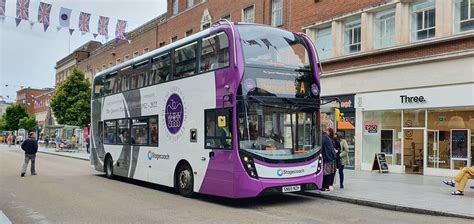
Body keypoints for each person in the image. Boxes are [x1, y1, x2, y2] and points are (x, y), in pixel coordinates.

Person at [321, 127, 337, 191]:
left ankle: (325, 187)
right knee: (329, 172)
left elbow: (322, 148)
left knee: (326, 172)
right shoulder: (327, 137)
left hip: (327, 158)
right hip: (331, 157)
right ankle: (328, 186)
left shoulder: (323, 137)